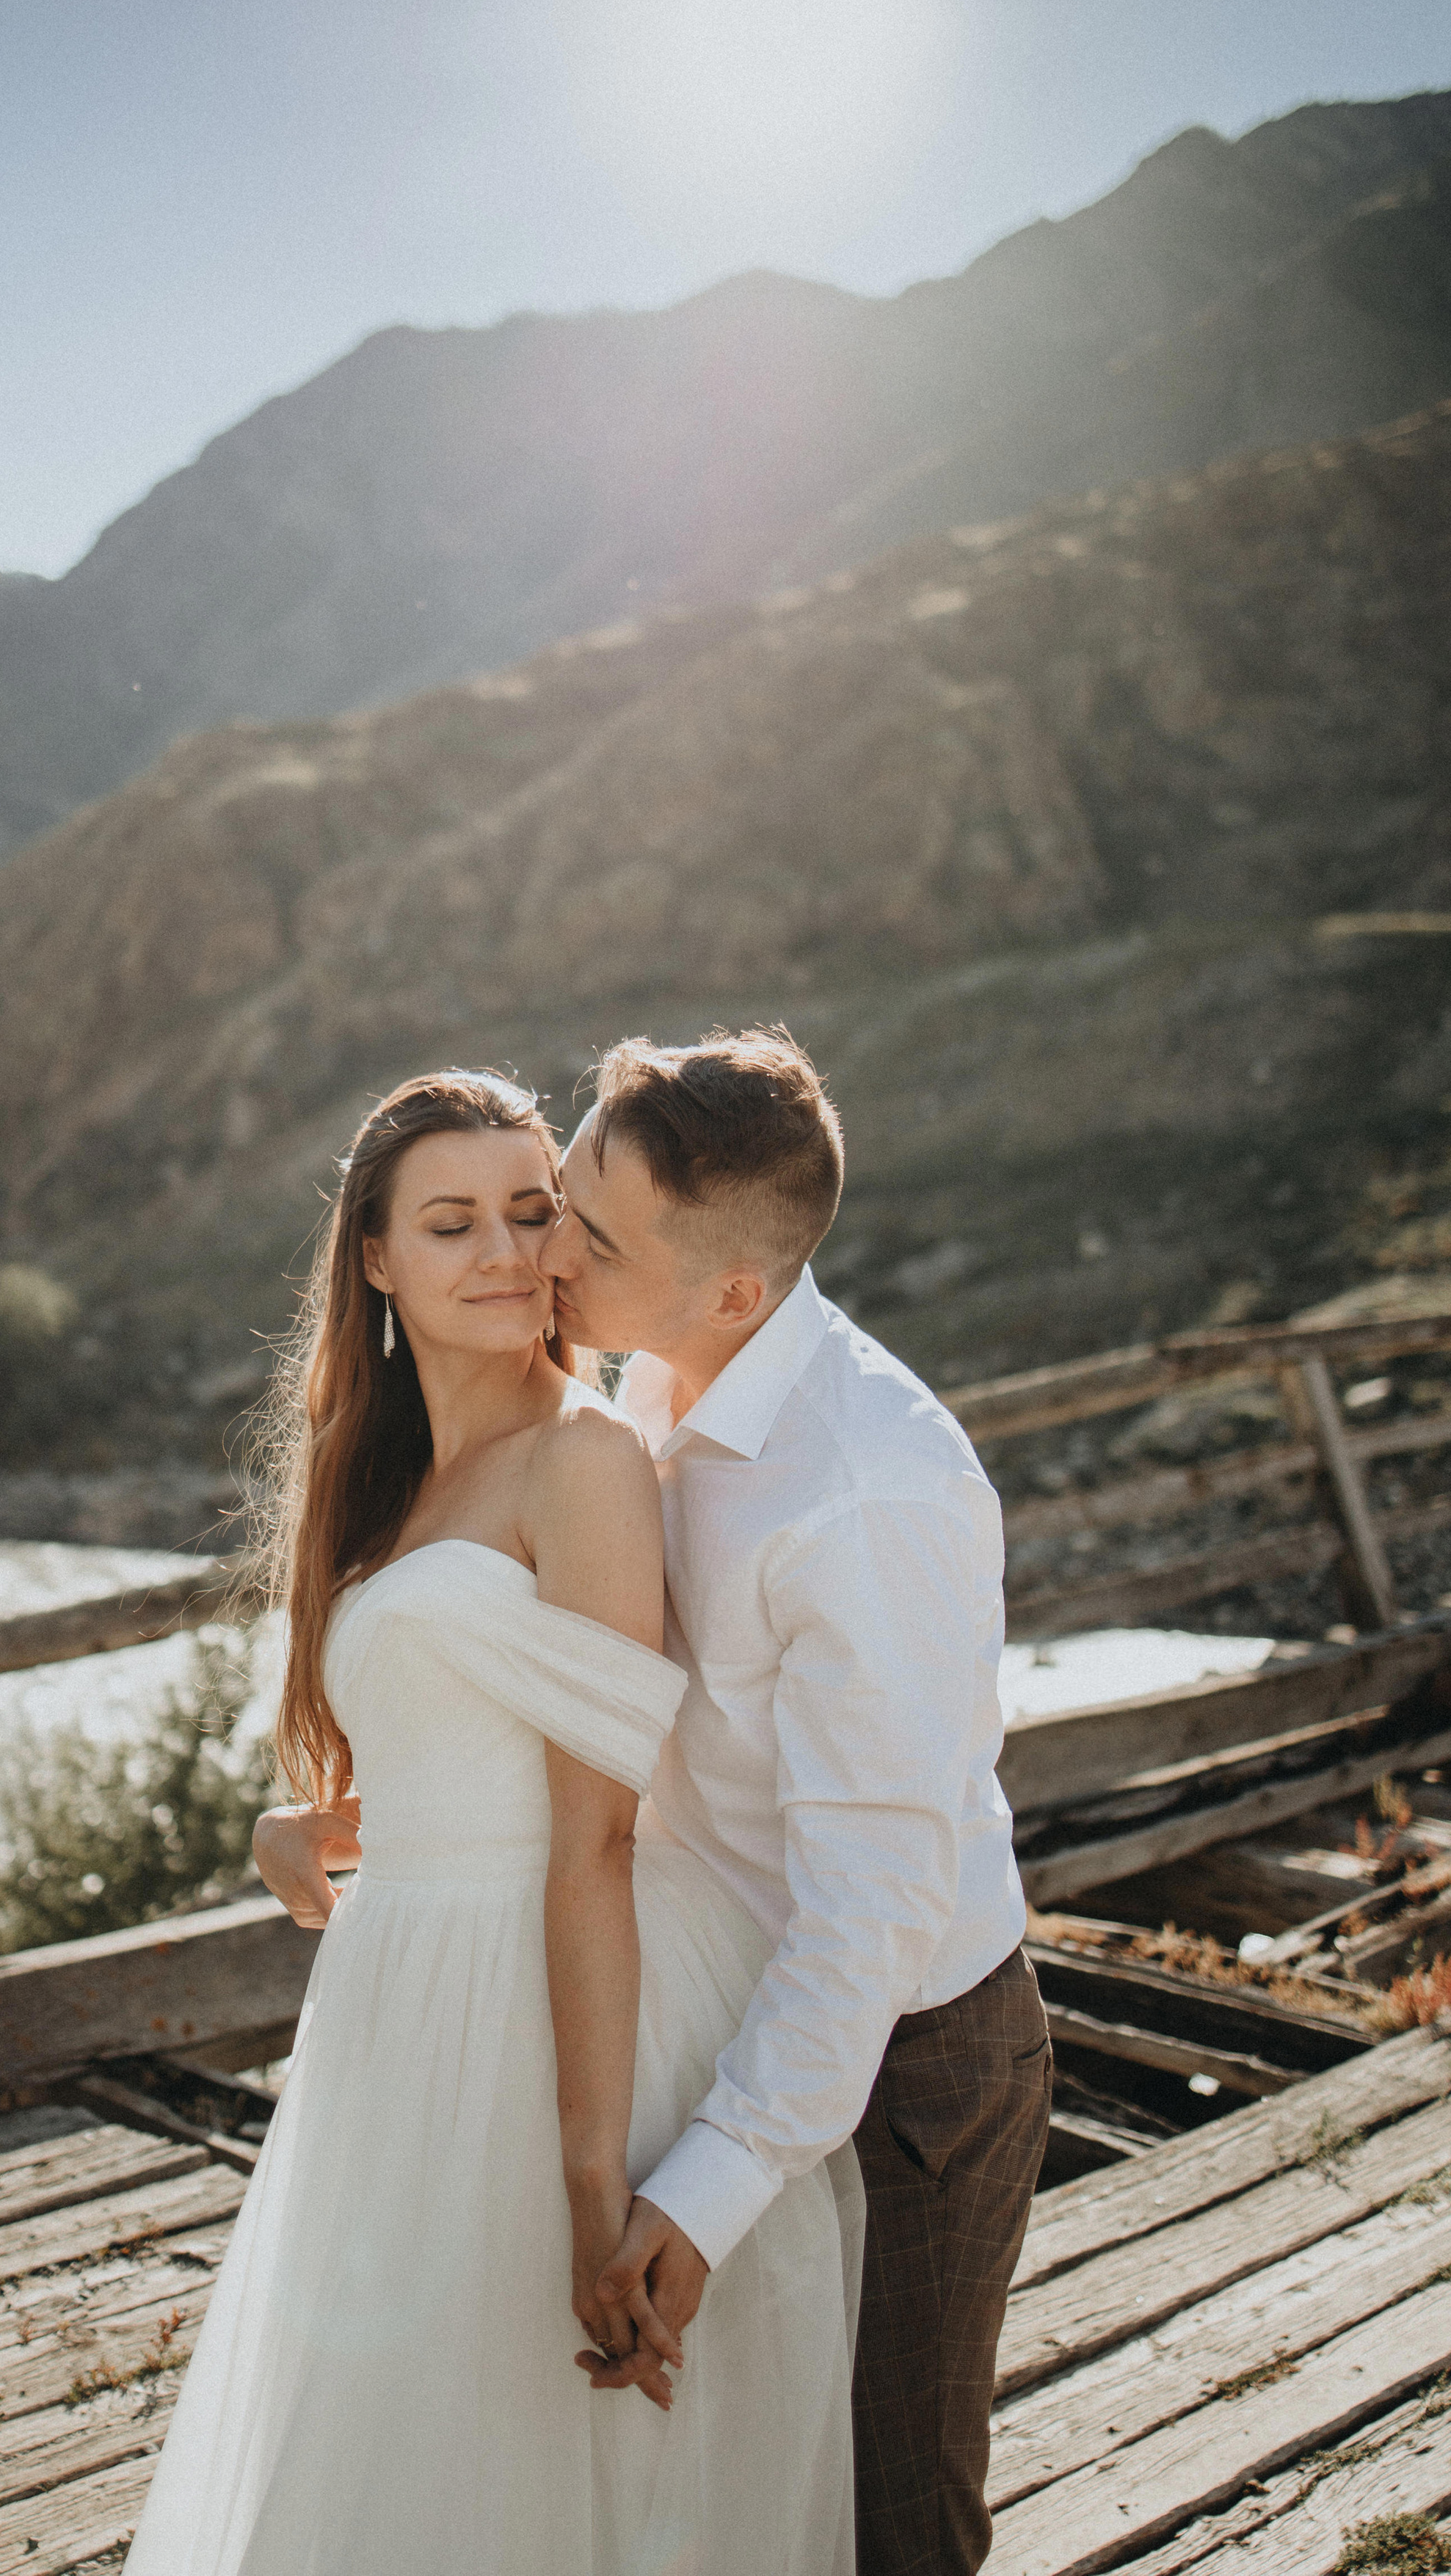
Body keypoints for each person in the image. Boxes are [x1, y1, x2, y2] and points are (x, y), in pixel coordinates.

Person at [260, 1027, 1047, 2575]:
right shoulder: (653, 1381)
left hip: (903, 2062)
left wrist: (691, 2194)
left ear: (730, 1291)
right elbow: (579, 1704)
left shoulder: (863, 1494)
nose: (543, 1254)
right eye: (557, 1199)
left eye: (578, 1230)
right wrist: (358, 1818)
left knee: (888, 2519)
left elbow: (865, 1926)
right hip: (709, 1999)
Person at [123, 1068, 858, 2576]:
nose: (508, 1254)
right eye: (450, 1223)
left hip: (549, 1998)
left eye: (532, 1211)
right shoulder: (383, 1476)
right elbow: (470, 1728)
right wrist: (321, 1821)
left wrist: (596, 2185)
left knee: (543, 2461)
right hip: (401, 1996)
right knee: (393, 2442)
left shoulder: (584, 1460)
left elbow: (590, 1831)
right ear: (376, 1262)